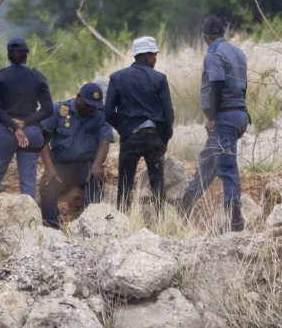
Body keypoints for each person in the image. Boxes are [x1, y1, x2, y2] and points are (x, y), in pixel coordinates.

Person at [181, 15, 250, 231]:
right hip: (239, 114)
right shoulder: (237, 52)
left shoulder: (213, 54)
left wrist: (213, 117)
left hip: (225, 117)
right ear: (223, 32)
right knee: (209, 161)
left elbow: (217, 84)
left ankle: (235, 219)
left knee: (227, 167)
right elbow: (243, 85)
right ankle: (186, 202)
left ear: (205, 36)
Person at [0, 37, 53, 209]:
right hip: (31, 134)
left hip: (6, 133)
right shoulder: (37, 77)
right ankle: (30, 226)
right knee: (28, 184)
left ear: (9, 55)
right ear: (26, 54)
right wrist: (24, 123)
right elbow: (48, 109)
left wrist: (14, 126)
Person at [105, 36, 175, 213]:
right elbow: (168, 113)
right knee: (157, 183)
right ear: (147, 56)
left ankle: (121, 222)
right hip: (154, 137)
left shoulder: (116, 77)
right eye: (155, 55)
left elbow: (107, 113)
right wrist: (164, 137)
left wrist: (123, 129)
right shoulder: (159, 78)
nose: (156, 59)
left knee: (125, 184)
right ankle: (161, 223)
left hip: (129, 136)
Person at [37, 83, 114, 228]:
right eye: (88, 104)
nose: (91, 108)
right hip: (61, 165)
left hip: (87, 165)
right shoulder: (59, 109)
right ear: (79, 97)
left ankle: (88, 227)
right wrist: (49, 167)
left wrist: (97, 165)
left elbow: (105, 141)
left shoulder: (100, 114)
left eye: (95, 106)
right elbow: (43, 140)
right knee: (47, 189)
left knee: (95, 185)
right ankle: (53, 228)